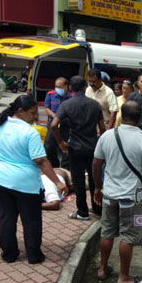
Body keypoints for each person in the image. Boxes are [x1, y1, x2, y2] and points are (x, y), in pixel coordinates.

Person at [0, 95, 68, 264]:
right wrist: (58, 182)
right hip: (24, 183)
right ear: (20, 111)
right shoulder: (28, 132)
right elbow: (41, 161)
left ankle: (9, 254)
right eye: (32, 114)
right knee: (31, 219)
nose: (35, 118)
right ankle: (33, 255)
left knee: (5, 217)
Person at [92, 101, 142, 283]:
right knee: (127, 237)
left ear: (122, 115)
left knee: (107, 233)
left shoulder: (107, 136)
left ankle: (103, 269)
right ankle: (123, 277)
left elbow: (96, 164)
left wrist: (98, 187)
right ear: (139, 118)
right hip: (131, 195)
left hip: (109, 194)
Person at [51, 75, 104, 220]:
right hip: (93, 147)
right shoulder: (95, 105)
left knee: (78, 180)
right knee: (94, 178)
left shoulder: (66, 105)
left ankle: (82, 212)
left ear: (70, 88)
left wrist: (61, 142)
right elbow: (103, 128)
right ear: (84, 88)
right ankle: (98, 208)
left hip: (74, 147)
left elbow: (54, 125)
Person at [44, 77, 71, 169]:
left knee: (66, 147)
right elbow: (47, 108)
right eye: (56, 86)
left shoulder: (71, 96)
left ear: (66, 86)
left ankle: (65, 168)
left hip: (66, 125)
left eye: (60, 87)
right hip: (53, 124)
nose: (57, 88)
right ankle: (53, 165)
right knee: (48, 146)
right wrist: (55, 117)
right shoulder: (50, 94)